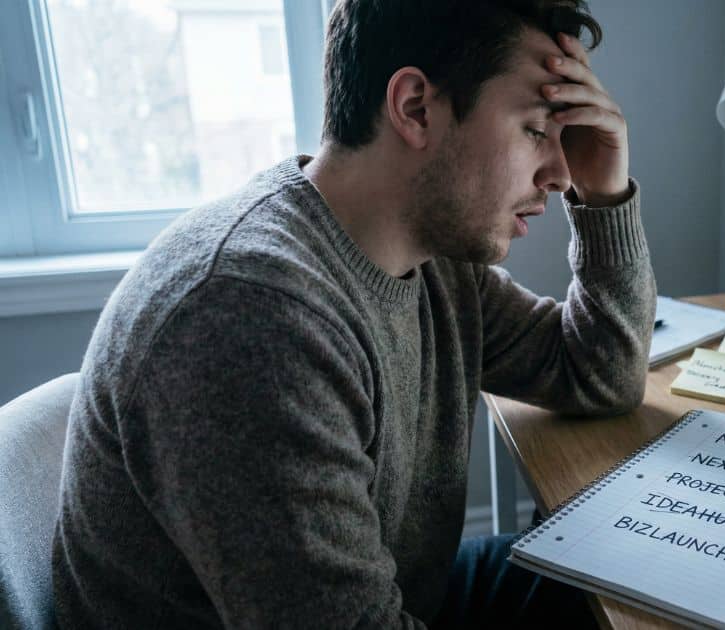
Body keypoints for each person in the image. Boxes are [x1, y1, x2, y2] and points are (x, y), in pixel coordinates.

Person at [52, 0, 655, 627]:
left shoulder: (431, 257)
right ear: (416, 107)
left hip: (399, 594)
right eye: (536, 130)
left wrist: (605, 192)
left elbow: (599, 372)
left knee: (628, 577)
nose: (561, 173)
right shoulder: (250, 318)